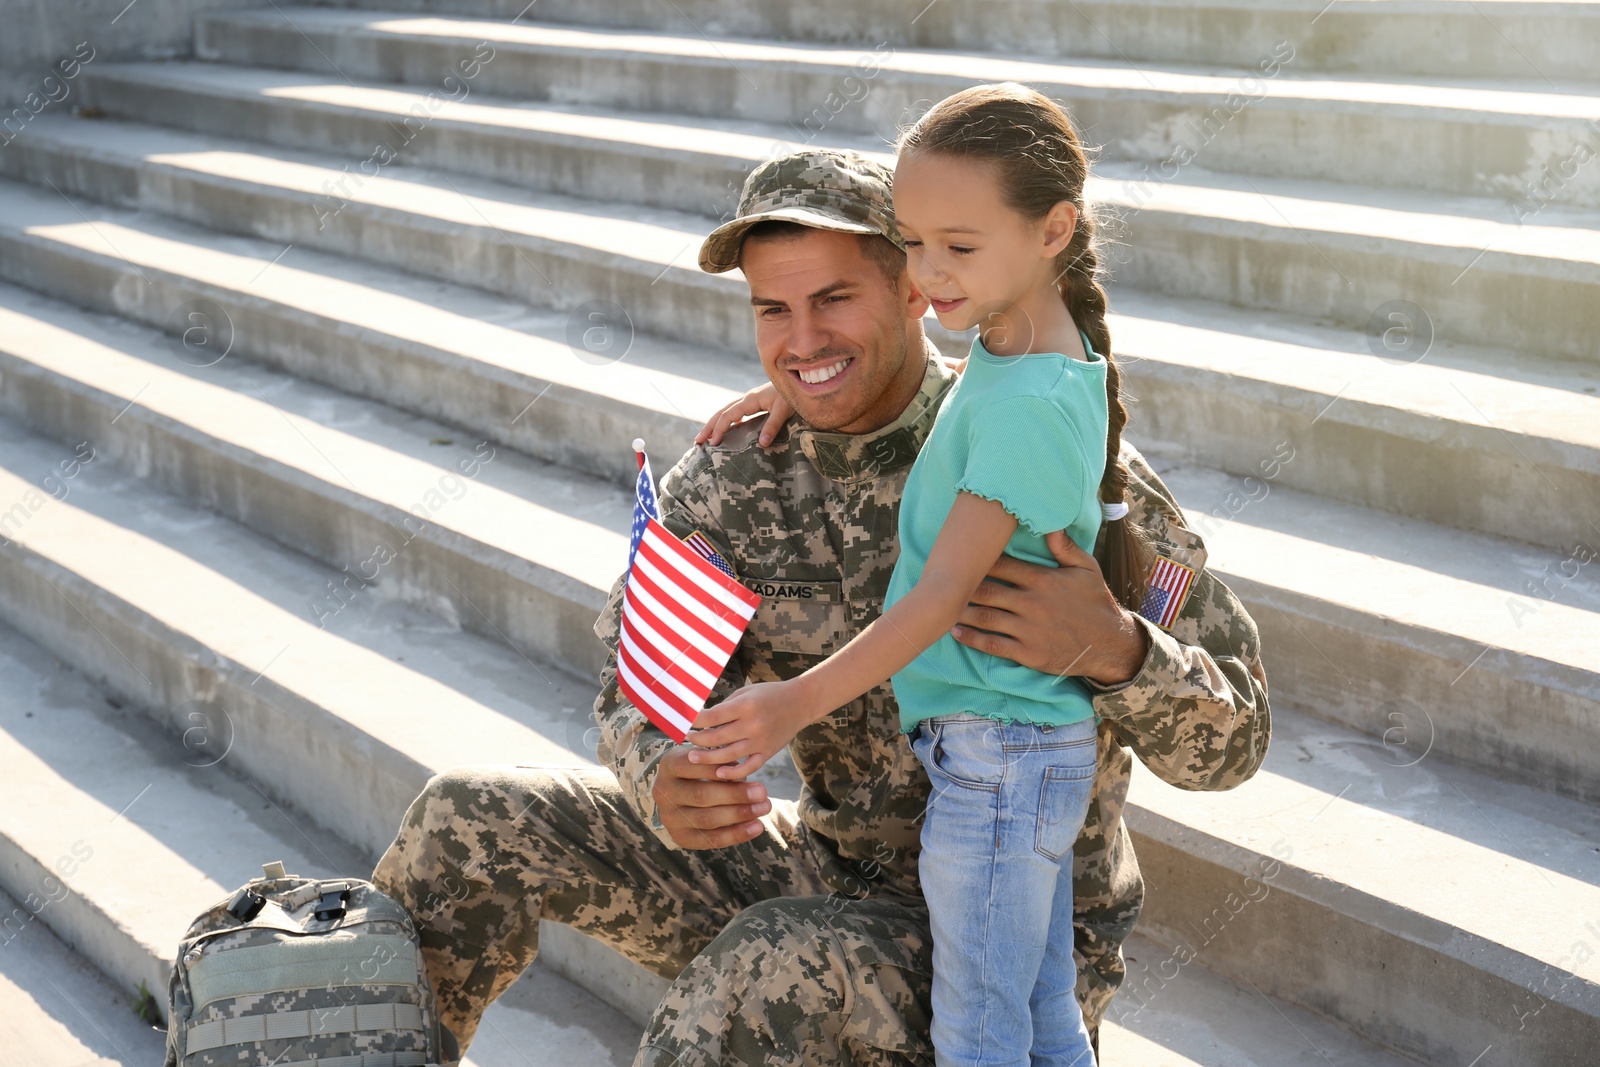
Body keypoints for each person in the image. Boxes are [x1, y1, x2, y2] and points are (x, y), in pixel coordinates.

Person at [371, 142, 1270, 1067]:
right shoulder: (735, 478)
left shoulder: (1037, 448)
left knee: (774, 960)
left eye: (835, 299)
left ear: (916, 288)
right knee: (471, 818)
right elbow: (636, 690)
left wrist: (1117, 649)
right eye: (774, 309)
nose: (802, 341)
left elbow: (1238, 738)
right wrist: (661, 771)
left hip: (1012, 940)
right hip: (828, 881)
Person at [686, 83, 1145, 1067]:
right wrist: (808, 373)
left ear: (1053, 228)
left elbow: (939, 597)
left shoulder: (1023, 404)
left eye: (957, 247)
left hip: (997, 757)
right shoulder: (1029, 357)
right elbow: (952, 380)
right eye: (914, 241)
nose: (929, 270)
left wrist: (789, 703)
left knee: (982, 1028)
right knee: (1038, 1009)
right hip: (1013, 749)